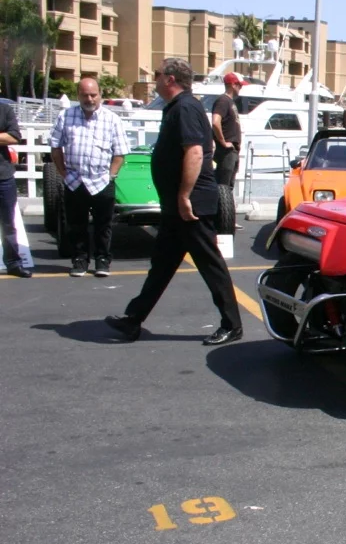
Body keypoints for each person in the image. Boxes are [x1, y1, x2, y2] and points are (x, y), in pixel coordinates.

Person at [105, 58, 242, 345]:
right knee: (162, 264)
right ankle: (134, 319)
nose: (153, 80)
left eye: (156, 75)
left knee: (210, 264)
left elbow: (194, 153)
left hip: (190, 204)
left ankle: (232, 324)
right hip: (176, 204)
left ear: (169, 79)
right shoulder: (177, 108)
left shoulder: (186, 108)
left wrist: (183, 196)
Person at [48, 77, 129, 277]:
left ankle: (102, 260)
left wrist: (111, 176)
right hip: (75, 181)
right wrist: (64, 174)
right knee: (76, 225)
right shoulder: (65, 117)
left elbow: (120, 152)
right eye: (85, 95)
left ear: (100, 95)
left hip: (102, 181)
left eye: (93, 95)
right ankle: (80, 260)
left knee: (104, 225)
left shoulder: (112, 119)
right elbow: (56, 147)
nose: (90, 99)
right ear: (78, 96)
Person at [0, 99, 25, 277]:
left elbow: (15, 136)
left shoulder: (5, 109)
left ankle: (13, 263)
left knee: (9, 223)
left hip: (3, 176)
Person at [211, 72, 245, 189]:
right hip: (226, 151)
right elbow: (215, 122)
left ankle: (226, 206)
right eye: (239, 85)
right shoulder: (223, 100)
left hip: (232, 151)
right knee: (223, 187)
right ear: (233, 84)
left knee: (228, 187)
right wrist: (223, 142)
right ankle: (220, 207)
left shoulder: (230, 102)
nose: (241, 88)